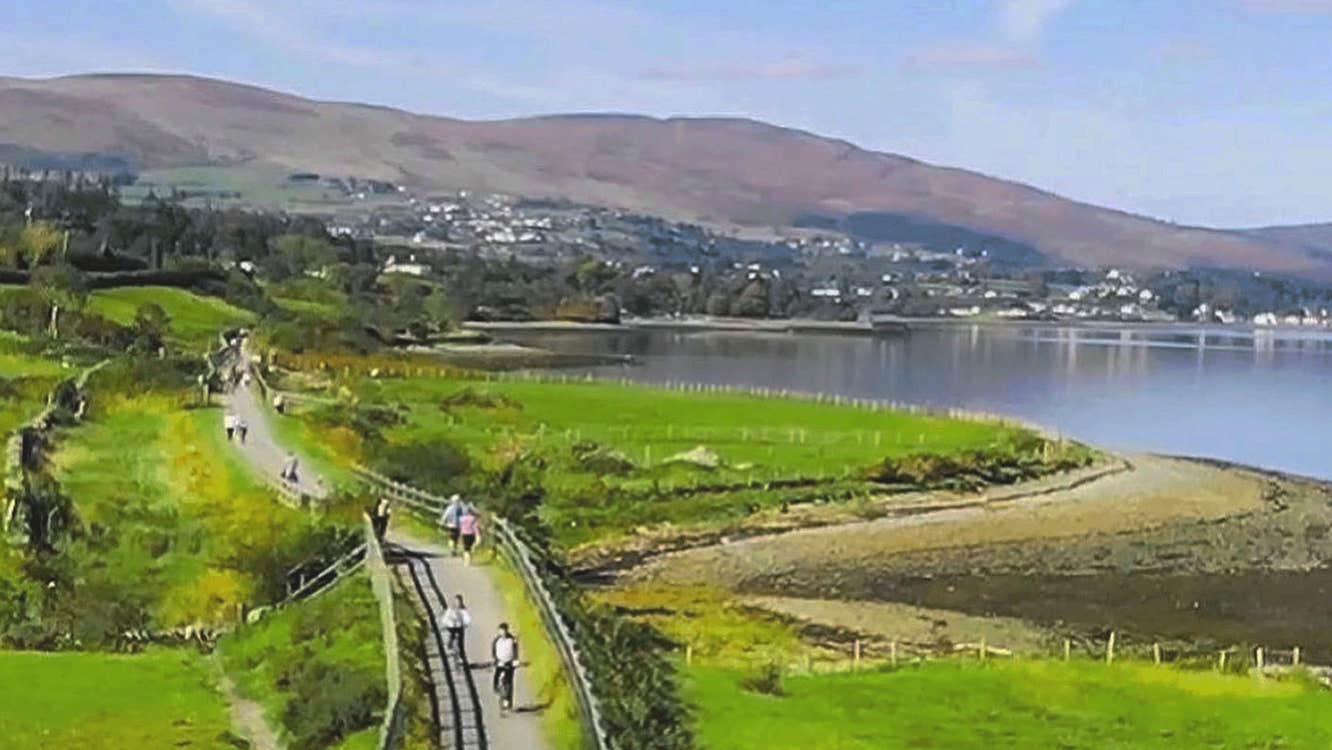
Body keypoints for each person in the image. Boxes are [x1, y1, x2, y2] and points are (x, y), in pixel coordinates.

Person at [492, 623, 519, 711]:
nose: (502, 633)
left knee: (509, 682)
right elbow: (494, 651)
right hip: (500, 662)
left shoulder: (512, 640)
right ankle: (496, 687)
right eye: (501, 631)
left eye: (504, 631)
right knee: (496, 677)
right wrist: (496, 660)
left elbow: (515, 651)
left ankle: (508, 700)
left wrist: (515, 661)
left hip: (509, 663)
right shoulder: (497, 640)